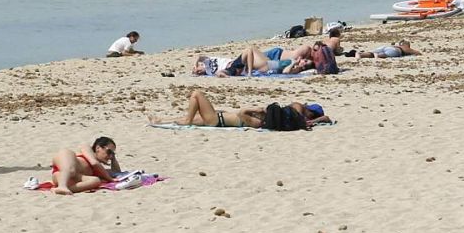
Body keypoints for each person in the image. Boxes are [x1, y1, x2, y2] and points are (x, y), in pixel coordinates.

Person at [149, 89, 329, 130]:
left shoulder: (258, 122)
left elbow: (242, 113)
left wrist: (254, 108)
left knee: (196, 94)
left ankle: (187, 121)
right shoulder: (264, 121)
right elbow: (325, 119)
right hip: (218, 118)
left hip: (216, 121)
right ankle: (162, 121)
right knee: (186, 117)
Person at [49, 137, 119, 195]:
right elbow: (94, 163)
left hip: (64, 177)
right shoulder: (87, 149)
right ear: (98, 148)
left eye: (112, 154)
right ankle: (62, 186)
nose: (110, 156)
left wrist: (113, 159)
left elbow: (117, 173)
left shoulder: (101, 170)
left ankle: (65, 189)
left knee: (96, 180)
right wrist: (110, 179)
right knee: (71, 170)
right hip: (64, 165)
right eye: (109, 152)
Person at [356, 39, 420, 58]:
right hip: (395, 50)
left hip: (386, 47)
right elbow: (417, 53)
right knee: (385, 55)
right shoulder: (406, 48)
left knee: (372, 53)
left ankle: (360, 54)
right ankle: (378, 55)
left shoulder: (397, 45)